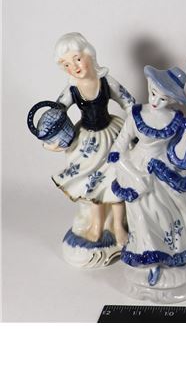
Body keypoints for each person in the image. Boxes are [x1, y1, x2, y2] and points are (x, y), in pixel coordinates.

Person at [107, 66, 186, 288]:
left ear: (172, 100)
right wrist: (134, 175)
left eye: (163, 98)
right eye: (153, 93)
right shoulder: (136, 115)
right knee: (142, 216)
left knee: (170, 214)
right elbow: (117, 151)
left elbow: (183, 151)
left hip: (164, 170)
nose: (155, 101)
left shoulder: (176, 120)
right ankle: (150, 262)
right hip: (137, 170)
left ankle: (174, 253)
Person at [47, 32, 135, 247]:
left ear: (89, 55)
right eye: (66, 64)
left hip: (112, 136)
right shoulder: (72, 89)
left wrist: (136, 127)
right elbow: (56, 113)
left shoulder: (106, 81)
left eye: (77, 59)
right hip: (88, 142)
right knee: (94, 186)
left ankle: (118, 226)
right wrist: (55, 140)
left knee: (116, 182)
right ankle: (96, 226)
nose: (74, 67)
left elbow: (128, 102)